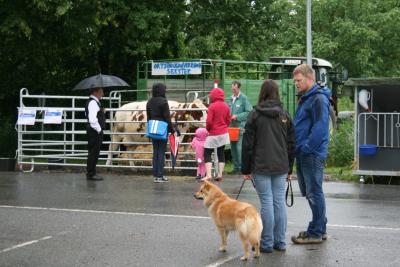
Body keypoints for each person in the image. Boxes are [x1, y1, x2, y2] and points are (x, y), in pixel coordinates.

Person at [242, 79, 295, 253]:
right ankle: (279, 242)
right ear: (276, 93)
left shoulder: (255, 115)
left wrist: (246, 168)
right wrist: (289, 168)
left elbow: (248, 144)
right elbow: (291, 144)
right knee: (278, 202)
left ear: (262, 93)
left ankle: (266, 243)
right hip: (280, 165)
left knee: (267, 203)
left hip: (261, 165)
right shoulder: (285, 115)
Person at [291, 64, 330, 244]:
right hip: (304, 152)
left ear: (309, 78)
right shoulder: (307, 97)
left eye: (298, 80)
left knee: (314, 192)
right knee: (310, 191)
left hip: (311, 153)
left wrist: (306, 148)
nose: (296, 84)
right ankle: (319, 227)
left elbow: (320, 128)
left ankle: (315, 232)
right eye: (295, 81)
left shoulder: (318, 99)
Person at [146, 83, 174, 183]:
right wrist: (172, 130)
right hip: (162, 129)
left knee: (155, 152)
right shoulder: (163, 101)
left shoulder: (149, 102)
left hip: (153, 129)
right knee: (161, 152)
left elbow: (148, 117)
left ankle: (155, 176)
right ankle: (160, 176)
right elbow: (167, 118)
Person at [203, 88, 231, 181]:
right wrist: (224, 127)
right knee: (221, 152)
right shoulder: (226, 106)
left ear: (213, 95)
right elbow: (228, 120)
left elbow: (209, 121)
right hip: (224, 133)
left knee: (207, 152)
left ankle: (209, 175)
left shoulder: (212, 106)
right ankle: (220, 174)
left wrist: (208, 129)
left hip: (213, 133)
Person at [229, 81, 253, 174]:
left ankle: (242, 168)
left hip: (240, 128)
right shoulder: (230, 99)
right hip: (231, 128)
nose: (233, 90)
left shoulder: (243, 98)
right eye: (232, 89)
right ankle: (236, 168)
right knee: (233, 148)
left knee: (240, 149)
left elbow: (249, 112)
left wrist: (237, 116)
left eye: (235, 89)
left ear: (239, 88)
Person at [85, 87, 105, 181]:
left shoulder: (94, 102)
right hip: (95, 131)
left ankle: (91, 172)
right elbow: (92, 119)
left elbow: (94, 115)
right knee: (93, 153)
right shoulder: (93, 102)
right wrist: (99, 130)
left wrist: (101, 111)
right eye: (101, 91)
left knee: (93, 152)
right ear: (95, 92)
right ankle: (91, 173)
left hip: (93, 130)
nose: (102, 94)